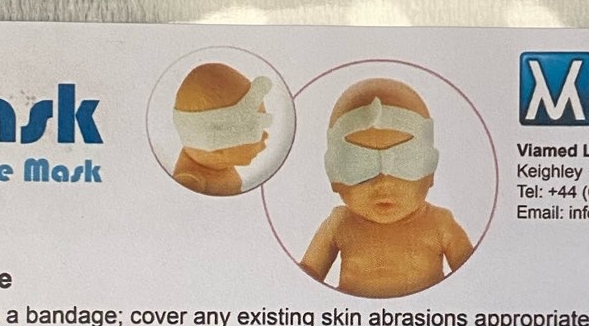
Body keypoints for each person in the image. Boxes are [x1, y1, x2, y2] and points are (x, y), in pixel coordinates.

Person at [299, 77, 474, 297]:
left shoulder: (440, 223)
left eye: (405, 161)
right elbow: (303, 280)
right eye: (360, 164)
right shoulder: (340, 223)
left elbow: (476, 275)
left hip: (427, 316)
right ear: (334, 174)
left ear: (430, 170)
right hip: (350, 317)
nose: (383, 182)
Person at [170, 62, 272, 195]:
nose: (265, 135)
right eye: (254, 129)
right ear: (214, 144)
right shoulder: (191, 182)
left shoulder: (221, 167)